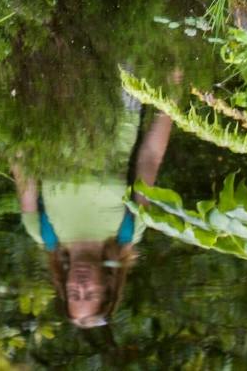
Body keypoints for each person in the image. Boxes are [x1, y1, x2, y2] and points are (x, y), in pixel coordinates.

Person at [14, 105, 174, 330]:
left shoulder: (43, 232)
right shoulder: (128, 231)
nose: (80, 285)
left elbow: (21, 160)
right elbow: (150, 157)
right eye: (89, 293)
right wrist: (169, 97)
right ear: (108, 285)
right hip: (119, 110)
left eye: (73, 293)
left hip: (52, 110)